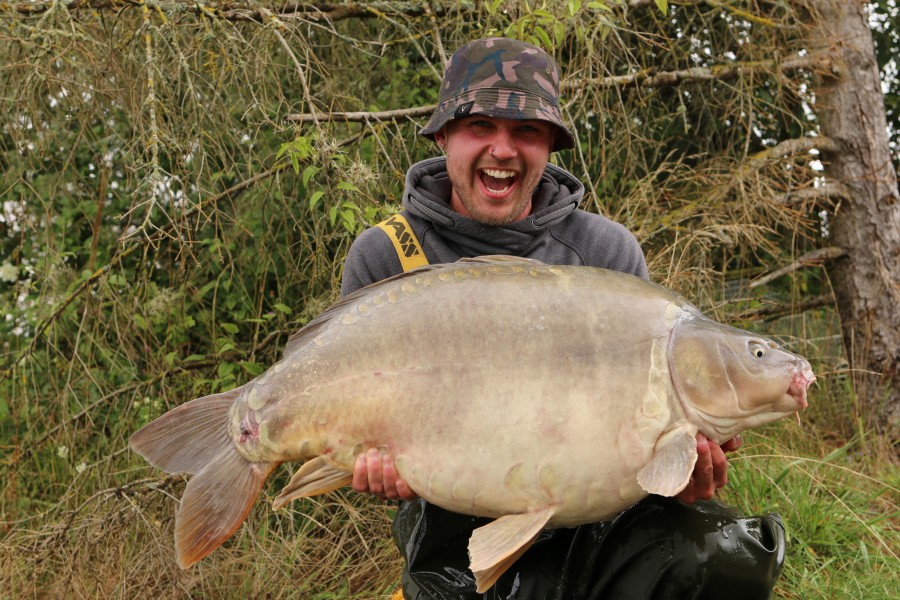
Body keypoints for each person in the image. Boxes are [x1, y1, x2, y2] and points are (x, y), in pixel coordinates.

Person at [340, 37, 786, 600]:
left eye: (526, 131)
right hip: (452, 521)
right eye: (480, 126)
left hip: (599, 516)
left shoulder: (606, 253)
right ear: (442, 135)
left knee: (728, 557)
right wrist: (372, 471)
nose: (502, 150)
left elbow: (646, 449)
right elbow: (361, 443)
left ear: (550, 144)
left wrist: (681, 476)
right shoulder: (386, 255)